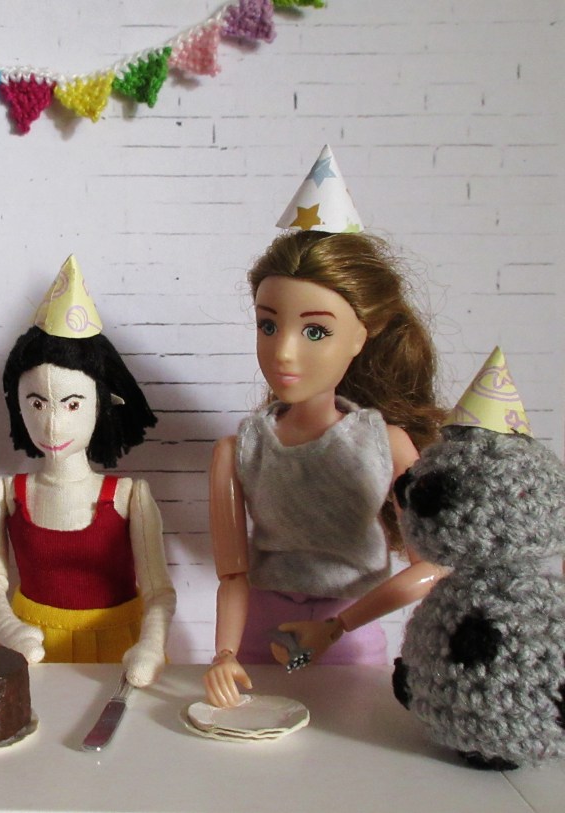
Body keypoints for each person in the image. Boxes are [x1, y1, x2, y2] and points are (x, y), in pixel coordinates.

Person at [203, 148, 446, 708]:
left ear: (364, 335)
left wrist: (336, 628)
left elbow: (429, 565)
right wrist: (222, 654)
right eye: (268, 325)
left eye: (315, 331)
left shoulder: (385, 443)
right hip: (260, 637)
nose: (283, 351)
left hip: (352, 632)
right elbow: (233, 576)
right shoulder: (237, 451)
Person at [0, 256, 175, 687]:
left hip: (122, 649)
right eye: (36, 403)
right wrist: (9, 628)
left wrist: (152, 644)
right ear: (18, 406)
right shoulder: (7, 494)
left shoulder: (128, 497)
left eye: (72, 404)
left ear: (101, 405)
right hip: (31, 647)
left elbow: (158, 590)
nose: (52, 423)